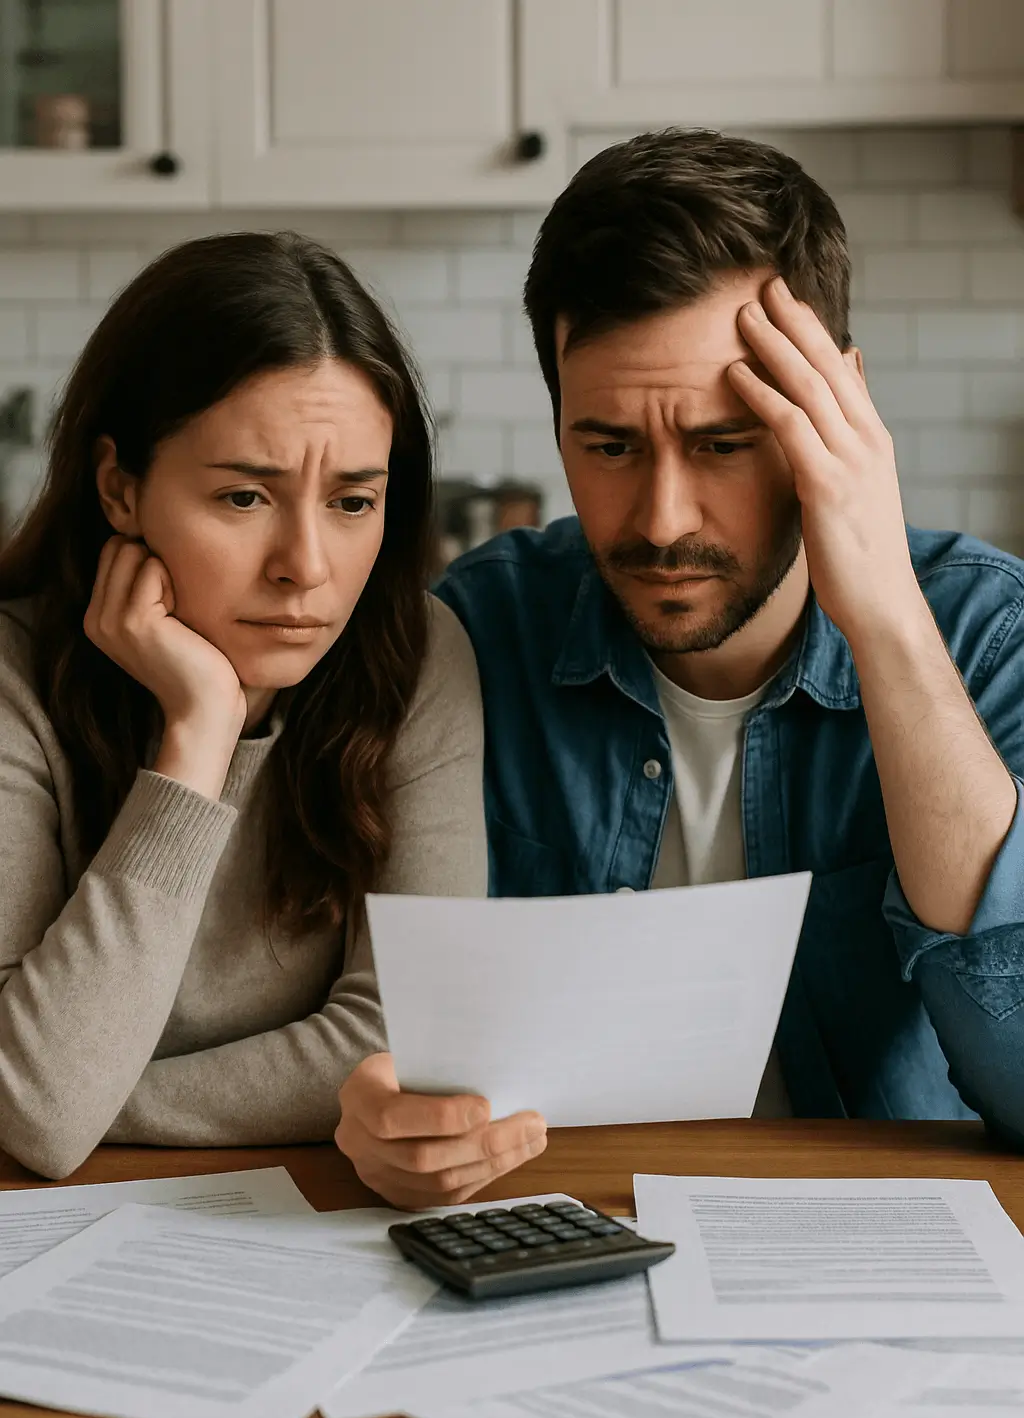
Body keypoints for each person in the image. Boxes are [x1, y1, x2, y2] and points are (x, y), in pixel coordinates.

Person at [436, 128, 1024, 1140]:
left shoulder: (987, 637)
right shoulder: (476, 636)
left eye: (720, 444)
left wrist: (886, 625)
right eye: (609, 445)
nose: (662, 520)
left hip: (866, 1253)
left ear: (831, 409)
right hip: (566, 1230)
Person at [0, 231, 546, 1201]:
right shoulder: (12, 676)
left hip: (303, 1226)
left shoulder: (417, 656)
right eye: (245, 495)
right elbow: (39, 1117)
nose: (306, 565)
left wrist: (84, 1091)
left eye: (351, 501)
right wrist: (199, 733)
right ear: (120, 485)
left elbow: (402, 1038)